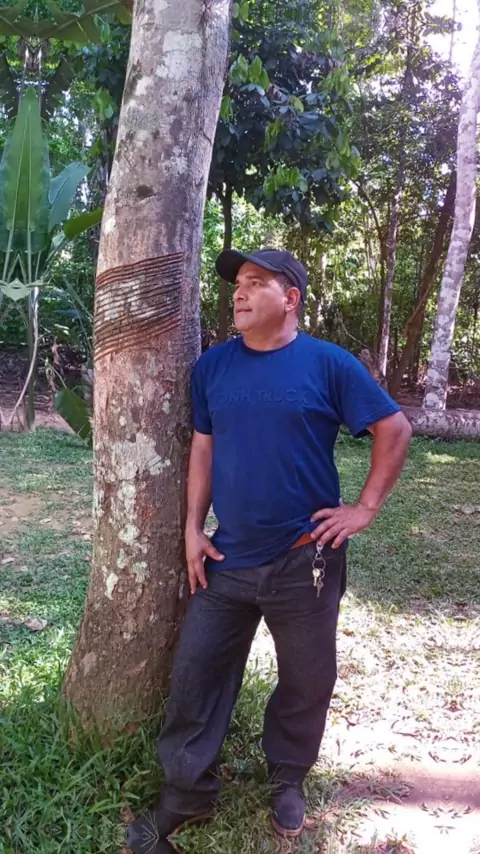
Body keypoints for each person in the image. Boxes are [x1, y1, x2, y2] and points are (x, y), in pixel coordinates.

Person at [126, 249, 412, 853]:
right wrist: (192, 528)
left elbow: (394, 427)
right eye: (238, 284)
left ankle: (287, 777)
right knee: (196, 675)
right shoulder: (212, 368)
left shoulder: (328, 364)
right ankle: (187, 793)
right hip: (226, 556)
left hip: (305, 557)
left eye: (257, 283)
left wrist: (364, 509)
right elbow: (203, 449)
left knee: (307, 678)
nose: (240, 292)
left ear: (291, 298)